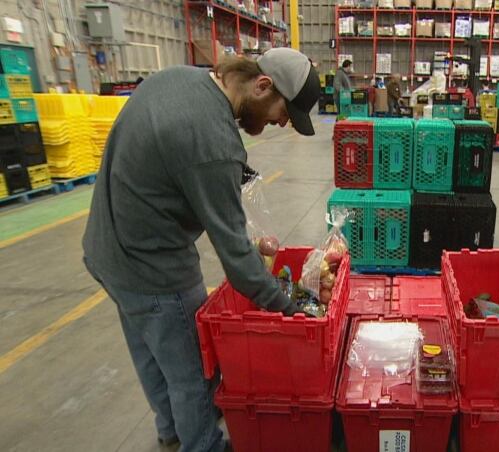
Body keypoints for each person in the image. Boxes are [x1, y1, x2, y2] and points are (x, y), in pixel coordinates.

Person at [82, 48, 320, 452]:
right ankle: (202, 444)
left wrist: (243, 239)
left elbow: (181, 179)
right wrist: (293, 310)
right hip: (155, 266)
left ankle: (172, 429)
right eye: (283, 112)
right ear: (263, 85)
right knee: (194, 371)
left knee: (152, 352)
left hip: (106, 250)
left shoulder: (177, 78)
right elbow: (240, 268)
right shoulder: (214, 141)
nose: (280, 122)